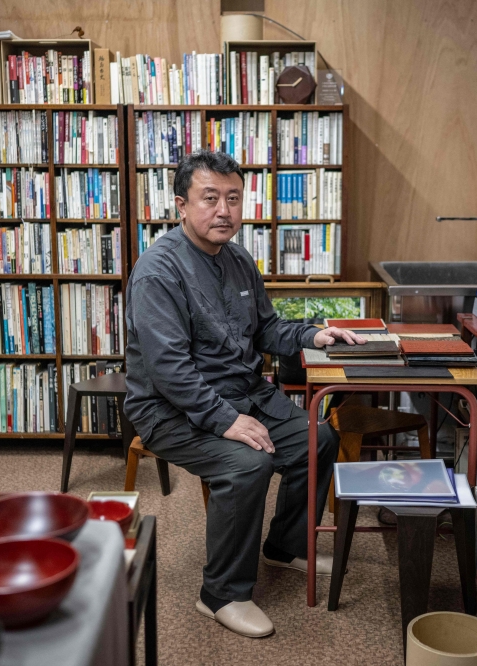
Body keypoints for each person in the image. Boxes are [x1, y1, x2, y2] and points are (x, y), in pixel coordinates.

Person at [124, 150, 365, 638]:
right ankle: (220, 594)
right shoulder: (157, 271)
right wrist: (226, 421)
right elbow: (169, 369)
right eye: (209, 198)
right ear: (181, 206)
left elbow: (267, 329)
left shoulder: (236, 258)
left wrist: (314, 335)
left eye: (233, 198)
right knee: (245, 463)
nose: (224, 211)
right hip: (170, 410)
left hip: (244, 393)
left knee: (317, 440)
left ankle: (285, 546)